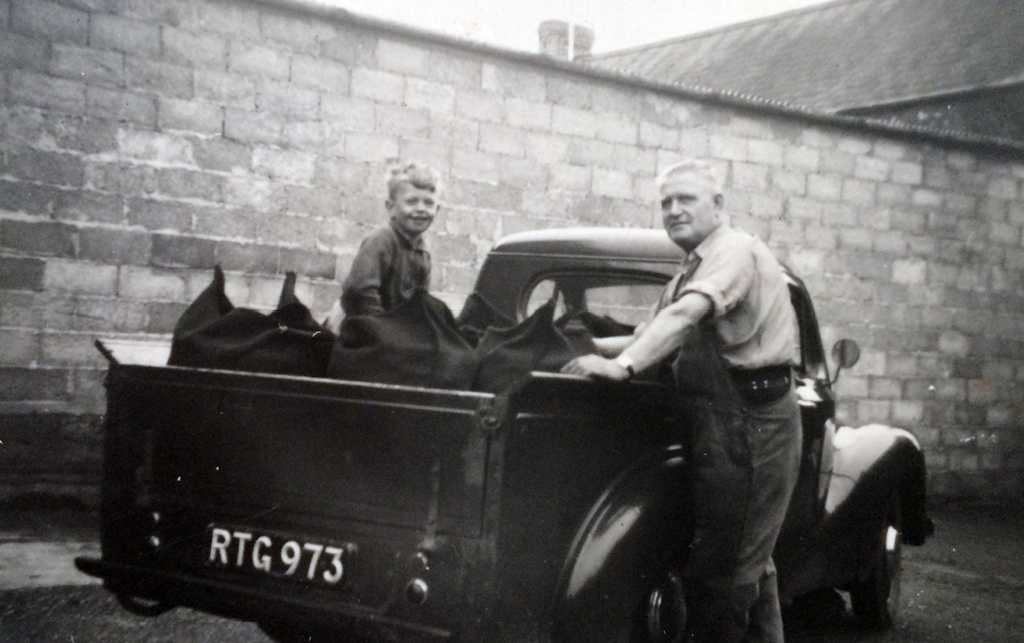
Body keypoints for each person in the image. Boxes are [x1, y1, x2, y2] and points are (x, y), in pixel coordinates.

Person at [561, 159, 802, 643]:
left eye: (685, 199)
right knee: (749, 558)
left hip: (752, 424)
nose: (672, 211)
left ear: (718, 205)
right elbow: (651, 332)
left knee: (726, 572)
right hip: (720, 423)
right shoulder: (691, 266)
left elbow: (685, 318)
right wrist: (569, 344)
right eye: (665, 202)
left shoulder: (734, 252)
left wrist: (623, 367)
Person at [339, 162, 441, 317]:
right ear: (391, 207)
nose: (421, 209)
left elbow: (419, 301)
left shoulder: (422, 251)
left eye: (428, 203)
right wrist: (385, 330)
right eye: (411, 201)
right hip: (364, 323)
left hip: (395, 327)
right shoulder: (381, 240)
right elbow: (361, 291)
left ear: (437, 209)